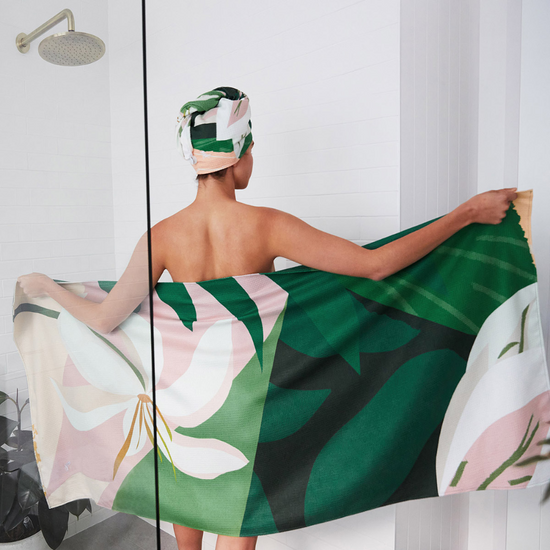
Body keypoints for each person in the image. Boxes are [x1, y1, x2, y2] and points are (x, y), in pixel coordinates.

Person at [17, 87, 518, 550]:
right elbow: (376, 266)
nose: (253, 158)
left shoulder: (162, 236)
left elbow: (106, 319)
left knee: (187, 535)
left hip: (179, 406)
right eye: (250, 148)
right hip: (246, 409)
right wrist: (466, 214)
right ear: (237, 154)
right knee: (238, 529)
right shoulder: (266, 226)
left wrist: (49, 289)